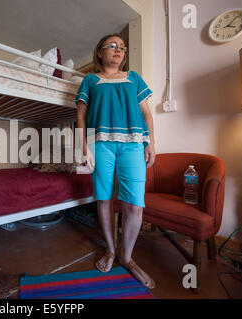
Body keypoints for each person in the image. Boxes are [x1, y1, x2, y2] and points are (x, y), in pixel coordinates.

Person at [75, 33, 156, 289]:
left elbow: (146, 112)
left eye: (121, 47)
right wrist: (84, 147)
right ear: (100, 52)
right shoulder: (89, 80)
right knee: (104, 198)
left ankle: (127, 256)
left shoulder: (133, 77)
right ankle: (111, 250)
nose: (118, 50)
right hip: (100, 145)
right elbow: (81, 116)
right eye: (111, 46)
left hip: (133, 144)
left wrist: (151, 142)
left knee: (135, 204)